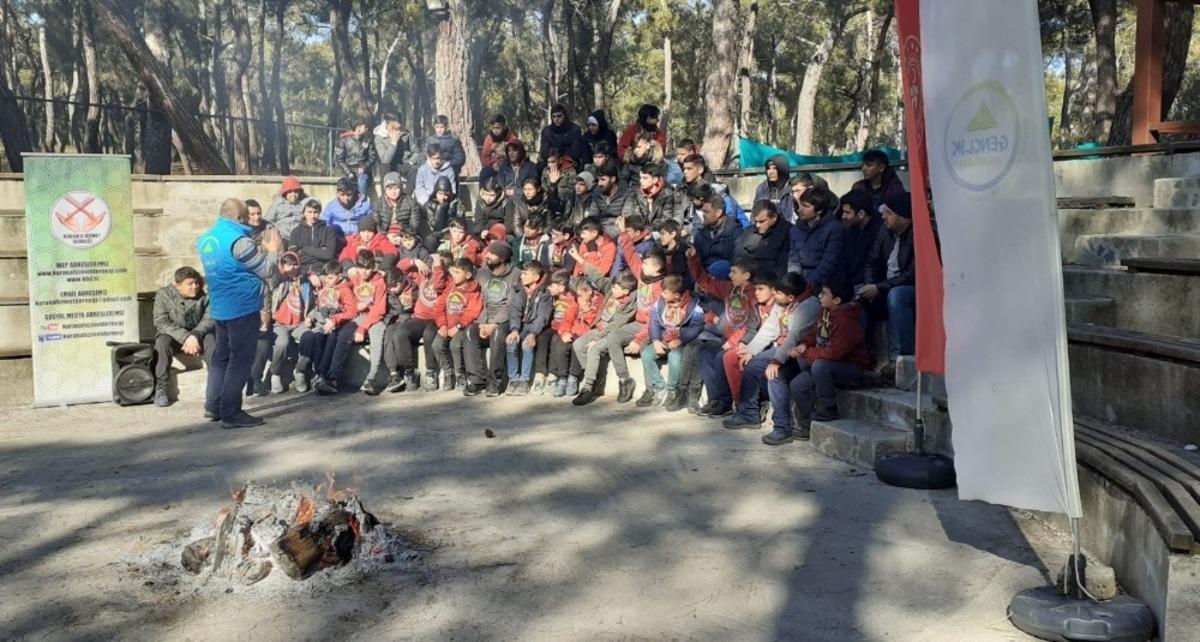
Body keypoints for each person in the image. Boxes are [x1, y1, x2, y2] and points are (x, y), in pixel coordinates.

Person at [195, 198, 282, 429]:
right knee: (240, 361)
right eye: (246, 217)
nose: (250, 221)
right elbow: (266, 270)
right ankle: (231, 413)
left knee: (221, 358)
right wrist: (272, 251)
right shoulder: (240, 241)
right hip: (242, 308)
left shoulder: (206, 239)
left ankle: (213, 406)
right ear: (238, 218)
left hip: (220, 308)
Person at [762, 278, 871, 445]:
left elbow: (834, 353)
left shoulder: (847, 321)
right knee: (797, 386)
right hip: (825, 362)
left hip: (848, 366)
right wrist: (804, 344)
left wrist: (805, 353)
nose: (820, 296)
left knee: (820, 365)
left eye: (825, 294)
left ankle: (829, 408)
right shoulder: (825, 311)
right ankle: (806, 425)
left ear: (837, 300)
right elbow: (815, 334)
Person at [722, 272, 808, 430]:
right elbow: (769, 329)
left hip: (799, 353)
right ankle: (749, 413)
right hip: (781, 349)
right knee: (752, 364)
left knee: (775, 374)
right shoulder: (781, 304)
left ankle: (781, 427)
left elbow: (793, 337)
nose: (774, 294)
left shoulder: (808, 306)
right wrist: (750, 350)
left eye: (778, 292)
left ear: (791, 297)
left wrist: (776, 361)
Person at [697, 269, 779, 418]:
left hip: (771, 347)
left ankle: (749, 406)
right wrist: (743, 343)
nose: (757, 292)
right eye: (756, 289)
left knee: (731, 358)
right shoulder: (754, 304)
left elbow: (769, 333)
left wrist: (743, 346)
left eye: (761, 289)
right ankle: (726, 402)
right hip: (748, 342)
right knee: (706, 351)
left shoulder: (776, 307)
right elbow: (752, 328)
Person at [858, 192, 915, 378]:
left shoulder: (919, 234)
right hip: (885, 286)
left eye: (889, 213)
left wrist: (879, 287)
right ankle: (863, 356)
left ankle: (899, 359)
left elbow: (912, 274)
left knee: (897, 295)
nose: (883, 216)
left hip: (913, 290)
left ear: (904, 217)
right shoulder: (885, 231)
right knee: (856, 295)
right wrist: (870, 285)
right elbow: (871, 262)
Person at [566, 270, 639, 404]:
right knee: (578, 344)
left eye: (616, 288)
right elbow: (598, 277)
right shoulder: (611, 291)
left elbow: (615, 325)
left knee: (593, 349)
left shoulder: (629, 304)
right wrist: (583, 262)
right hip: (599, 329)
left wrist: (597, 338)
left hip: (610, 333)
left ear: (626, 291)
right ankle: (596, 377)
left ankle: (588, 387)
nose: (612, 289)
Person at [152, 266, 216, 406]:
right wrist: (186, 337)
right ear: (178, 286)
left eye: (197, 283)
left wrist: (195, 335)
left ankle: (215, 389)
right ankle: (161, 388)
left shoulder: (206, 294)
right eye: (190, 284)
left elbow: (210, 318)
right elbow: (161, 322)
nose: (195, 287)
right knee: (162, 344)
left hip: (199, 333)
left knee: (212, 343)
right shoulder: (164, 295)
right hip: (174, 334)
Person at [639, 274, 705, 410]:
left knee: (674, 357)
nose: (662, 294)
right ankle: (659, 386)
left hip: (680, 341)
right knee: (646, 354)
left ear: (676, 296)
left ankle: (671, 389)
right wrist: (656, 340)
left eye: (665, 292)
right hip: (663, 338)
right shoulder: (660, 302)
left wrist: (681, 339)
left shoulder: (693, 306)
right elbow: (654, 322)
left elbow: (696, 327)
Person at [786, 186, 846, 334]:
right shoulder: (795, 230)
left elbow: (829, 263)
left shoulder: (834, 229)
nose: (799, 209)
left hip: (822, 284)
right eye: (800, 205)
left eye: (806, 206)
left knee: (799, 318)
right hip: (801, 282)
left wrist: (808, 286)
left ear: (819, 210)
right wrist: (793, 282)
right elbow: (793, 259)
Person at [466, 242, 522, 397]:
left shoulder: (515, 274)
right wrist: (483, 322)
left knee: (498, 335)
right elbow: (480, 300)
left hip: (505, 319)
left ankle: (494, 382)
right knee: (470, 333)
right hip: (485, 317)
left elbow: (512, 304)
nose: (487, 255)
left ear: (502, 258)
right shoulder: (482, 273)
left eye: (492, 253)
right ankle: (476, 380)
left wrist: (494, 324)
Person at [294, 261, 355, 394]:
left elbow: (351, 311)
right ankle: (303, 371)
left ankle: (323, 375)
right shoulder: (324, 289)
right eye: (326, 277)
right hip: (320, 324)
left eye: (331, 278)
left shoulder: (344, 290)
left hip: (335, 326)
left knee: (330, 338)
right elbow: (318, 306)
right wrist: (310, 316)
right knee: (310, 337)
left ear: (339, 276)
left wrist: (334, 320)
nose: (327, 281)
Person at [396, 250, 450, 391]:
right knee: (401, 332)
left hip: (437, 319)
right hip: (420, 317)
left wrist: (438, 265)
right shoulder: (422, 273)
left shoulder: (447, 277)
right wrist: (415, 261)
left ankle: (431, 371)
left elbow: (438, 285)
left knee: (429, 335)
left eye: (437, 264)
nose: (433, 267)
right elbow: (400, 267)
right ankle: (410, 371)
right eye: (431, 263)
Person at [263, 252, 313, 394]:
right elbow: (272, 273)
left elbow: (313, 304)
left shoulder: (305, 283)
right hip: (280, 323)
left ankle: (300, 371)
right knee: (281, 343)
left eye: (294, 264)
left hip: (299, 322)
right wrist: (273, 255)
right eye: (287, 264)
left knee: (309, 338)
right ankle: (275, 374)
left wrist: (310, 316)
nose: (292, 268)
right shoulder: (280, 281)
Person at [432, 257, 484, 392]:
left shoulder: (474, 291)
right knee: (437, 345)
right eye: (453, 271)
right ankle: (448, 373)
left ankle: (460, 374)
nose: (453, 275)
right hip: (446, 326)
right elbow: (439, 307)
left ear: (467, 275)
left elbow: (472, 312)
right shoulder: (450, 287)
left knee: (455, 345)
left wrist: (459, 326)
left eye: (457, 272)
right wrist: (442, 325)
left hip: (462, 327)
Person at [504, 260, 553, 396]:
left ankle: (524, 380)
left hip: (534, 327)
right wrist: (514, 330)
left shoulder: (544, 293)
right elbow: (514, 311)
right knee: (511, 343)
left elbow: (542, 316)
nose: (522, 276)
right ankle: (513, 379)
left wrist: (533, 333)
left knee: (527, 345)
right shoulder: (518, 289)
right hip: (520, 326)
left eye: (525, 273)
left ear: (536, 277)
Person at [534, 269, 581, 395]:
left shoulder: (573, 300)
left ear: (561, 287)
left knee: (556, 340)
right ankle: (540, 373)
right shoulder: (553, 297)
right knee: (543, 338)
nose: (549, 287)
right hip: (554, 326)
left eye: (552, 285)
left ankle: (553, 374)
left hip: (566, 329)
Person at [380, 269, 420, 393]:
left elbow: (414, 308)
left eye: (395, 286)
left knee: (399, 335)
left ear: (403, 280)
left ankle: (409, 370)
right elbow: (393, 310)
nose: (392, 289)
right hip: (394, 320)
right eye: (389, 287)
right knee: (388, 336)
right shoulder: (389, 292)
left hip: (410, 320)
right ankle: (394, 373)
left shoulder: (413, 288)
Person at [691, 191, 742, 279]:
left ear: (718, 213)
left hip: (726, 280)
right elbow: (696, 262)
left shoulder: (736, 233)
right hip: (703, 278)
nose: (703, 215)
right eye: (702, 211)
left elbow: (737, 263)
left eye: (706, 212)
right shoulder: (700, 235)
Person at [837, 189, 883, 288]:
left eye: (847, 212)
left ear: (861, 214)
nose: (843, 216)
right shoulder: (849, 230)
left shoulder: (880, 230)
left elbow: (873, 264)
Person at [735, 200, 792, 277]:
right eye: (756, 221)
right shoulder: (749, 231)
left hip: (770, 280)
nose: (758, 225)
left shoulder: (787, 232)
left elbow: (784, 265)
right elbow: (738, 255)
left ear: (774, 217)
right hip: (749, 277)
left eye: (762, 221)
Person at [625, 160, 688, 228]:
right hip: (638, 229)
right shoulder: (635, 193)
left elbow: (666, 218)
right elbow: (628, 212)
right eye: (640, 177)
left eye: (645, 178)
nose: (640, 181)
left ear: (655, 180)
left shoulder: (668, 194)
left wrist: (648, 230)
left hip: (660, 232)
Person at [290, 200, 342, 276]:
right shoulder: (295, 232)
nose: (312, 216)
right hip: (302, 271)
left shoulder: (328, 231)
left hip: (323, 270)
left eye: (315, 212)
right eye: (309, 212)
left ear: (319, 213)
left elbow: (329, 255)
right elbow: (293, 258)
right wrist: (320, 252)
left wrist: (304, 250)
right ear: (304, 213)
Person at [851, 149, 906, 213]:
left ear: (881, 168)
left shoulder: (894, 188)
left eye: (869, 165)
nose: (863, 169)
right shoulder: (859, 187)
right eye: (863, 165)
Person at [335, 116, 379, 196]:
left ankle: (362, 203)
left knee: (362, 181)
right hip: (349, 171)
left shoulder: (368, 140)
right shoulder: (343, 140)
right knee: (343, 185)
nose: (367, 129)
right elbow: (339, 159)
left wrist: (364, 168)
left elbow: (373, 157)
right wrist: (348, 173)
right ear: (358, 127)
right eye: (365, 126)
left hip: (364, 172)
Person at [265, 176, 319, 241]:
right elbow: (267, 220)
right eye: (290, 192)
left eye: (296, 192)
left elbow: (315, 206)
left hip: (299, 236)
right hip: (281, 236)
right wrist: (272, 229)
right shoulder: (278, 204)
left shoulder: (304, 203)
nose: (293, 194)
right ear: (285, 193)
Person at [373, 113, 415, 192]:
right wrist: (394, 142)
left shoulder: (406, 133)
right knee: (384, 166)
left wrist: (410, 162)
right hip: (389, 166)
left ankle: (405, 198)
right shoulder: (379, 137)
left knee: (415, 172)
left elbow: (416, 152)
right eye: (395, 128)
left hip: (403, 164)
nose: (398, 130)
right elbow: (385, 160)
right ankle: (385, 199)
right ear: (390, 124)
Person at [423, 177, 463, 252]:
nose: (443, 197)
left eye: (446, 194)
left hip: (451, 231)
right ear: (435, 193)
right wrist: (440, 209)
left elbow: (460, 221)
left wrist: (448, 230)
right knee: (430, 240)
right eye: (440, 194)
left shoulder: (456, 202)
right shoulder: (429, 204)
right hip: (435, 233)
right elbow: (435, 226)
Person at [593, 161, 631, 238]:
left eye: (603, 179)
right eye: (598, 180)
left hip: (617, 229)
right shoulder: (597, 191)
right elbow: (593, 214)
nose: (599, 183)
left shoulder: (627, 192)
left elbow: (626, 217)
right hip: (600, 227)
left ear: (613, 179)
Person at [754, 154, 794, 223]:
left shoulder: (792, 188)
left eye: (774, 168)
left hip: (787, 230)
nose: (770, 172)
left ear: (782, 169)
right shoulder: (762, 188)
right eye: (768, 168)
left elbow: (794, 218)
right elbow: (754, 213)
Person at [481, 114, 521, 179]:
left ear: (504, 126)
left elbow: (518, 157)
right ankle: (483, 189)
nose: (496, 131)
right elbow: (484, 158)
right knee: (484, 173)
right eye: (493, 128)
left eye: (498, 128)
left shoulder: (512, 138)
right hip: (493, 167)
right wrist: (492, 164)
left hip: (509, 167)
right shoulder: (489, 139)